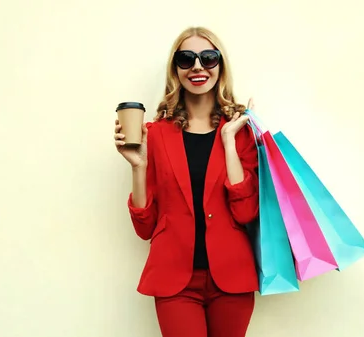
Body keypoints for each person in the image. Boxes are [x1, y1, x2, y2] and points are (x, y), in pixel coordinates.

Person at [114, 26, 260, 337]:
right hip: (174, 280)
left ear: (220, 67)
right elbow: (145, 228)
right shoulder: (154, 134)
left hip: (231, 277)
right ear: (175, 69)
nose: (197, 66)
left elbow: (245, 212)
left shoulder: (241, 130)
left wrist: (229, 141)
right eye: (186, 58)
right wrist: (138, 166)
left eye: (208, 58)